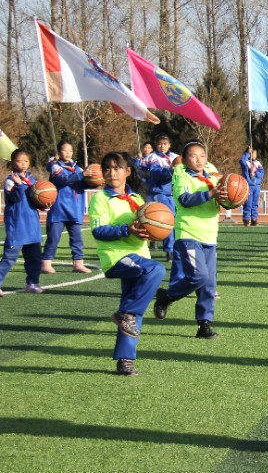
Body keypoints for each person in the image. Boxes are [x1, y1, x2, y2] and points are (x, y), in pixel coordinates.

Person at [89, 152, 166, 375]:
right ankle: (125, 314)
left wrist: (152, 233)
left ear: (128, 171)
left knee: (132, 313)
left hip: (139, 257)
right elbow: (99, 230)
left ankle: (125, 360)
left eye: (117, 168)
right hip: (116, 258)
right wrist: (126, 230)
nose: (112, 173)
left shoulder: (138, 199)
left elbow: (147, 226)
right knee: (157, 270)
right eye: (107, 169)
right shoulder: (101, 199)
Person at [153, 141, 227, 338]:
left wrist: (231, 197)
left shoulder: (212, 172)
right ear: (184, 160)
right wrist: (210, 193)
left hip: (210, 236)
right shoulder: (181, 174)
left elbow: (226, 196)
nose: (199, 160)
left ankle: (204, 324)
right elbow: (185, 199)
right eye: (193, 156)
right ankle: (166, 297)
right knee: (199, 276)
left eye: (202, 155)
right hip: (188, 235)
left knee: (209, 284)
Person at [41, 140, 91, 274]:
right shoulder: (55, 166)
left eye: (70, 150)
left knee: (77, 239)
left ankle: (78, 263)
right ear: (59, 152)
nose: (68, 153)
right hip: (59, 209)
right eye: (65, 150)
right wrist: (82, 175)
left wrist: (93, 180)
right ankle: (46, 262)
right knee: (53, 238)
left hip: (75, 209)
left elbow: (84, 183)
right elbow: (63, 179)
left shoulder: (78, 168)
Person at [0, 149, 44, 296]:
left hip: (32, 226)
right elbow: (14, 199)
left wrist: (44, 203)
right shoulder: (10, 181)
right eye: (19, 161)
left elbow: (36, 200)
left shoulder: (33, 181)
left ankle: (32, 282)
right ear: (12, 163)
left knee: (35, 258)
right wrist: (19, 185)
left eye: (26, 161)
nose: (23, 164)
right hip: (17, 227)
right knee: (9, 258)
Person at [145, 134, 179, 261]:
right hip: (158, 193)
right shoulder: (153, 157)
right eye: (160, 143)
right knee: (162, 221)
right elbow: (154, 172)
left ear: (169, 145)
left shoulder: (176, 157)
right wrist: (169, 170)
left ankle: (172, 248)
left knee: (174, 222)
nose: (162, 146)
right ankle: (168, 250)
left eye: (165, 143)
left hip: (173, 193)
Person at [240, 146, 264, 226]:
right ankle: (246, 219)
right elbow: (242, 161)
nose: (254, 155)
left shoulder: (258, 163)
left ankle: (254, 219)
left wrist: (255, 174)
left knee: (255, 204)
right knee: (248, 203)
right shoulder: (246, 162)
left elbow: (262, 172)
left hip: (256, 185)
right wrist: (247, 153)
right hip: (248, 185)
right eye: (252, 153)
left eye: (255, 154)